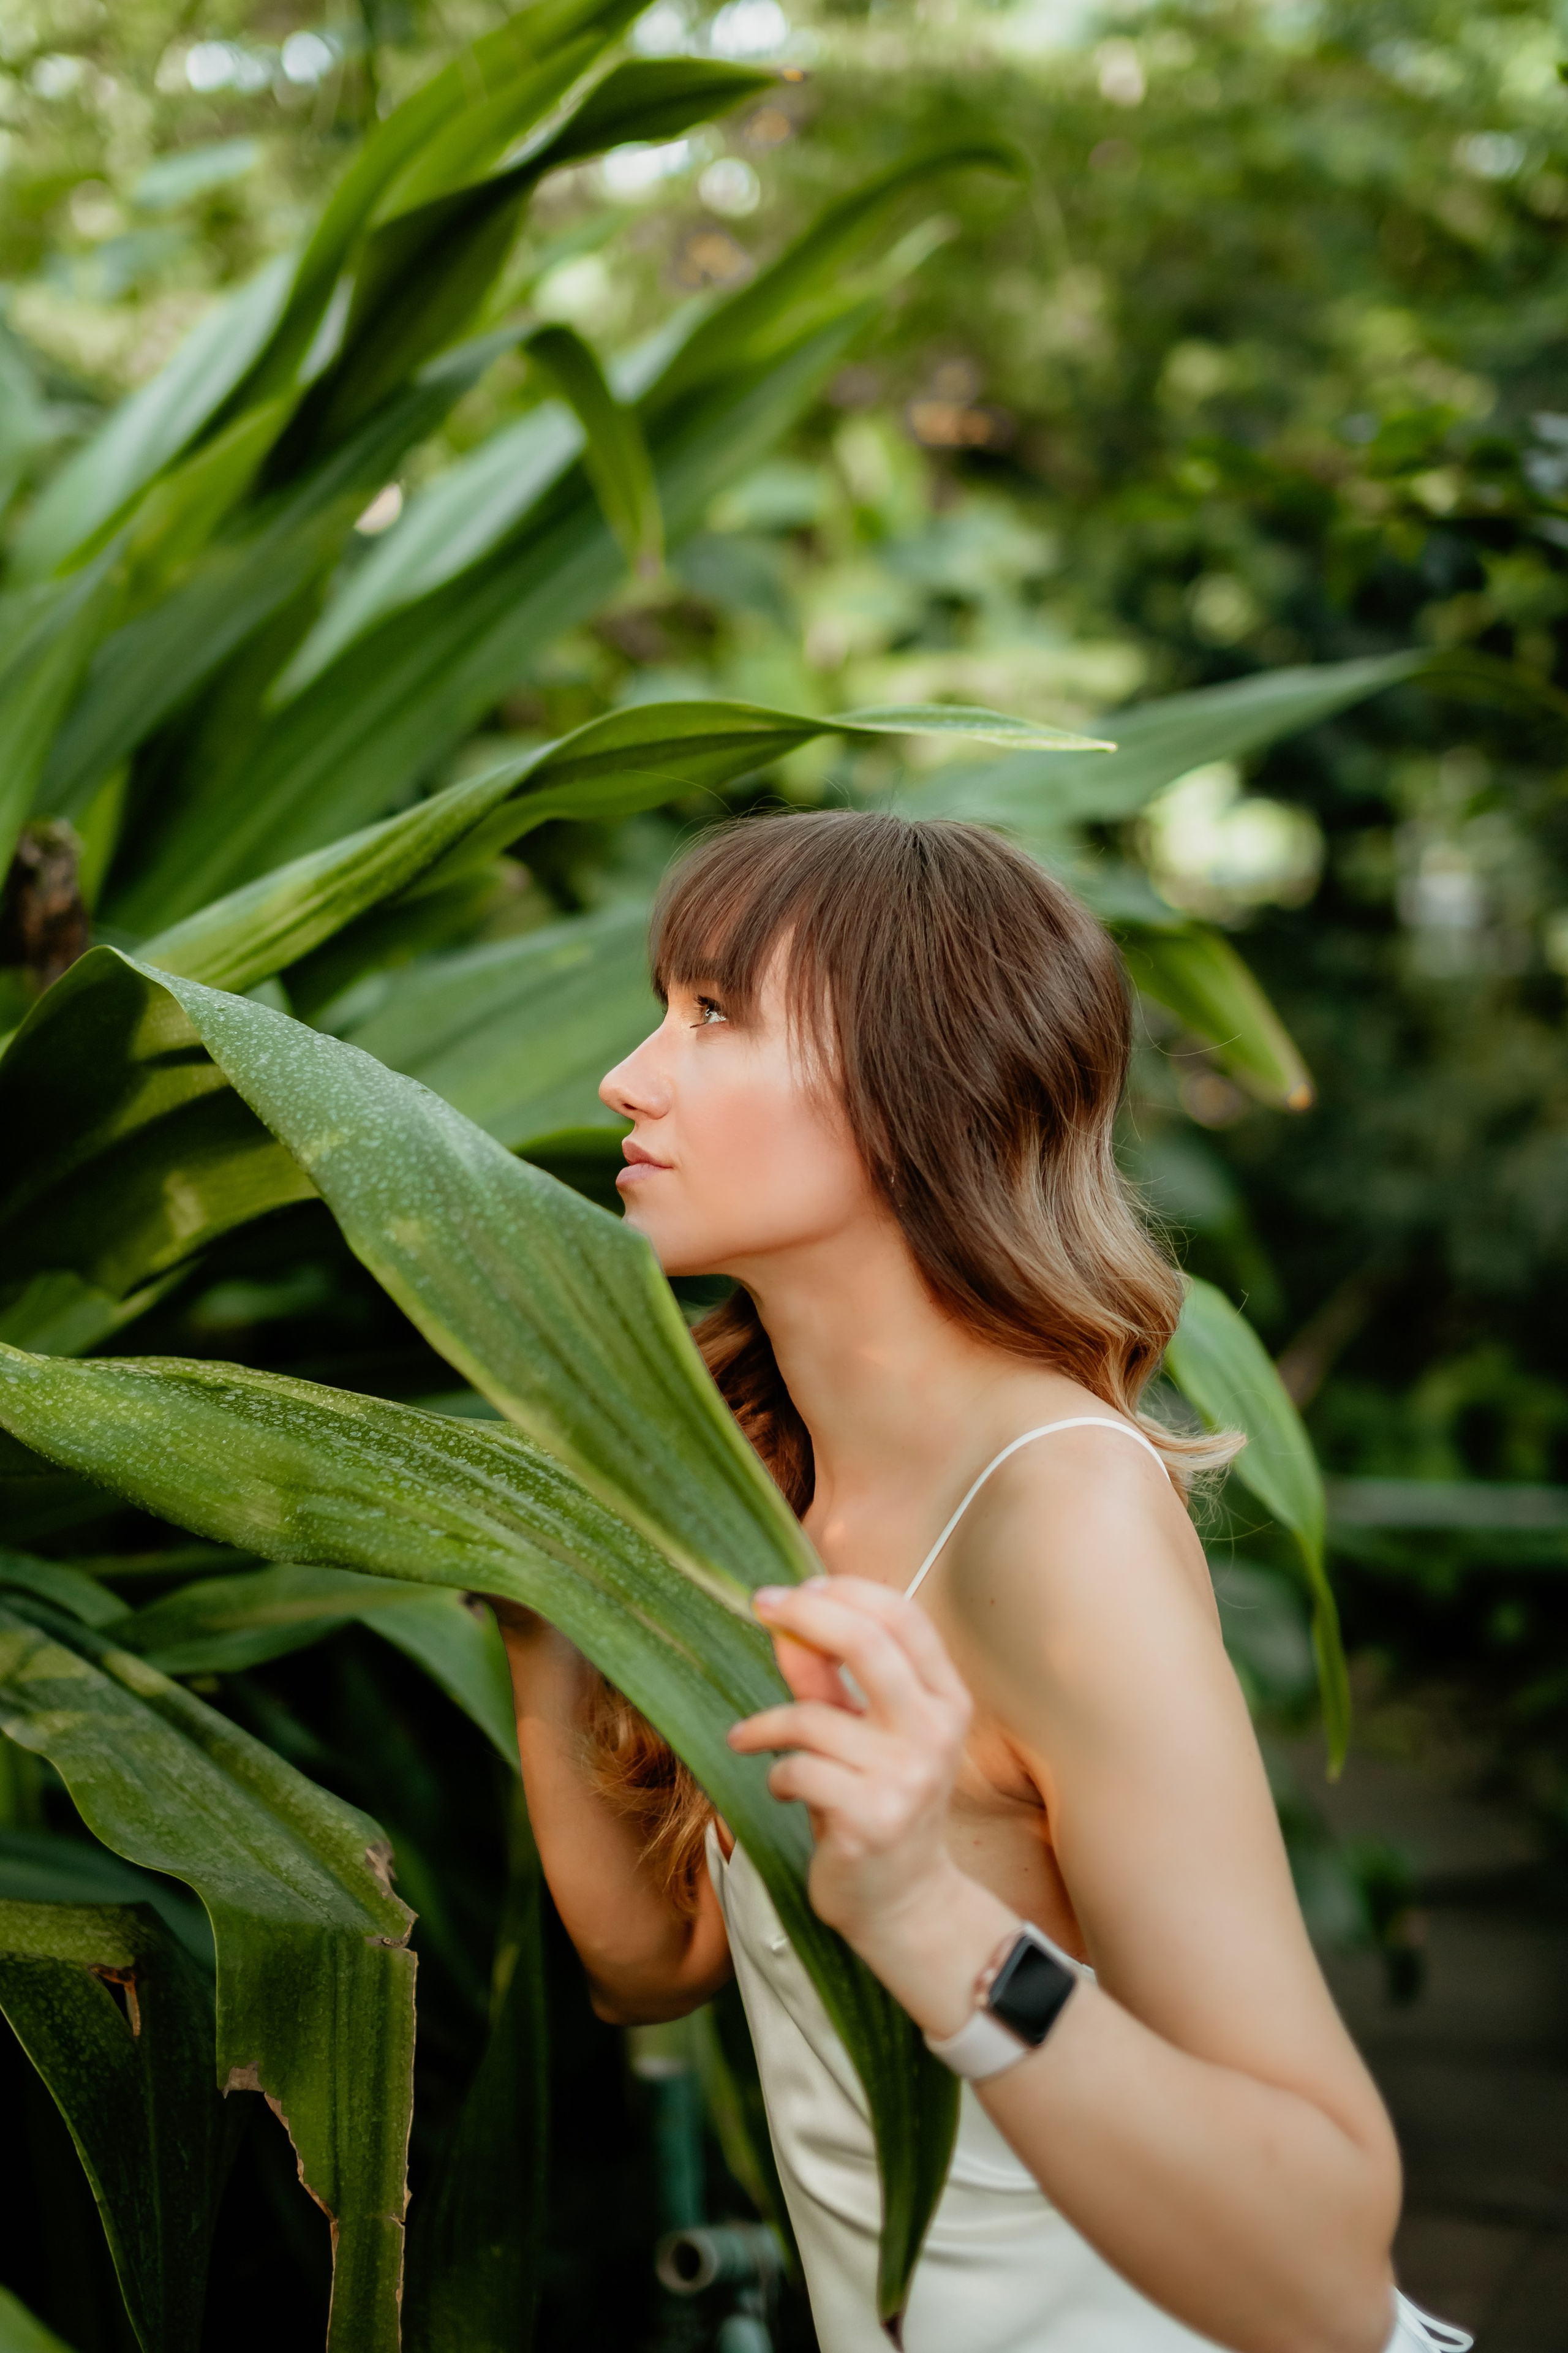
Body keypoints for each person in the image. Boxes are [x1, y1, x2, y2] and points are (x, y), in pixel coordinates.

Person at [498, 810, 1468, 2353]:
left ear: (915, 1087)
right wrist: (532, 1610)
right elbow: (655, 1966)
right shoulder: (768, 1487)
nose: (627, 1076)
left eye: (716, 1013)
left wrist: (930, 1921)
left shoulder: (1055, 1519)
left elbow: (1323, 2271)